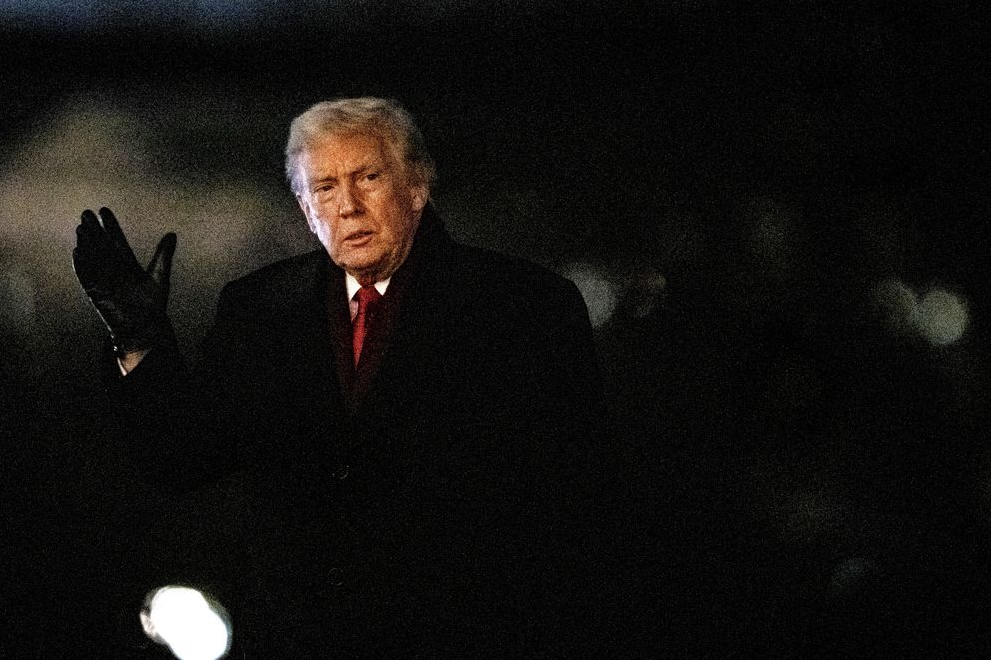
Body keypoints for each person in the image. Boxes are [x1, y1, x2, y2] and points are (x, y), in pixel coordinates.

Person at [73, 97, 611, 656]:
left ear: (418, 185)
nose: (348, 206)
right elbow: (181, 458)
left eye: (369, 178)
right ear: (305, 210)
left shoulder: (524, 306)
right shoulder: (259, 309)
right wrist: (138, 341)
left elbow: (578, 507)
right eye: (325, 188)